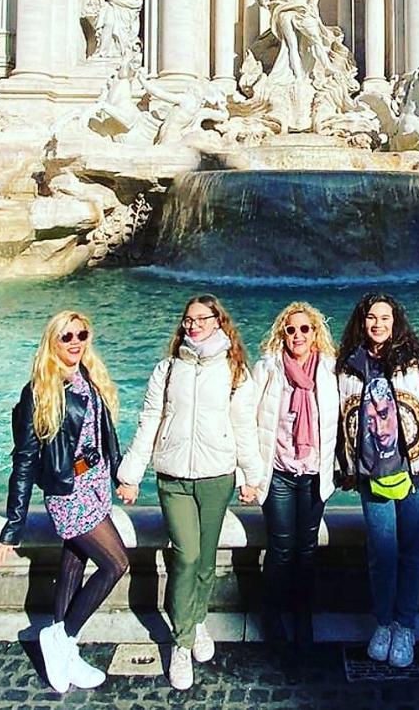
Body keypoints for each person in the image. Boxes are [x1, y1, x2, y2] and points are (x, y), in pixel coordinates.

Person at [115, 295, 265, 691]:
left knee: (205, 560)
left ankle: (196, 620)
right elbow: (149, 422)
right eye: (188, 320)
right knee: (187, 555)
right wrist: (130, 474)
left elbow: (244, 429)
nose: (193, 326)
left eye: (202, 319)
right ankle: (181, 643)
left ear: (219, 321)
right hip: (173, 476)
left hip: (218, 477)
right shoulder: (167, 370)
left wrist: (252, 476)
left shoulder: (236, 372)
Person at [0, 310, 128, 694]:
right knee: (117, 563)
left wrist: (120, 475)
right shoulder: (38, 390)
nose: (75, 342)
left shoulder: (91, 377)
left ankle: (65, 653)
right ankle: (61, 636)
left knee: (74, 560)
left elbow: (105, 437)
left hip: (97, 483)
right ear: (52, 342)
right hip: (69, 493)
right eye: (66, 336)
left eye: (81, 334)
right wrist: (12, 527)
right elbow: (24, 460)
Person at [335, 293, 419, 669]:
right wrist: (345, 469)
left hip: (416, 468)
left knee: (411, 552)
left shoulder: (417, 360)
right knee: (380, 553)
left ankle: (406, 626)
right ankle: (383, 624)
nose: (378, 325)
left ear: (395, 321)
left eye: (385, 318)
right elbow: (340, 423)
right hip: (371, 473)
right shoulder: (347, 365)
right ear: (362, 321)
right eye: (372, 318)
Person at [251, 302, 340, 649]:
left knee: (306, 549)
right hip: (279, 472)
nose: (298, 335)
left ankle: (303, 615)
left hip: (316, 473)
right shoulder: (268, 368)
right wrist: (250, 472)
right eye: (291, 330)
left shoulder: (330, 370)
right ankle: (272, 615)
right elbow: (247, 415)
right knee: (281, 547)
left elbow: (344, 419)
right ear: (282, 334)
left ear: (316, 333)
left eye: (305, 329)